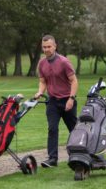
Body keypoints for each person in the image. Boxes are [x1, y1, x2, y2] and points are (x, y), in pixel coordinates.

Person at [35, 34, 78, 167]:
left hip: (67, 99)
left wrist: (71, 99)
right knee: (52, 129)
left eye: (49, 46)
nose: (46, 49)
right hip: (52, 101)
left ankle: (77, 155)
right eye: (44, 47)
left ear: (55, 46)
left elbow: (74, 81)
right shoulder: (42, 63)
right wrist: (40, 92)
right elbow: (43, 82)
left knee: (74, 129)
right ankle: (52, 159)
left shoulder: (64, 62)